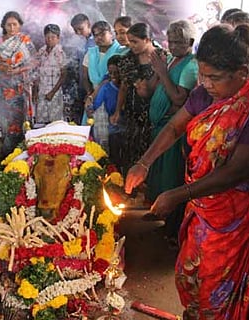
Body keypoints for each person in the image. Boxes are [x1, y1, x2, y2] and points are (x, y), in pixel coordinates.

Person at [125, 24, 249, 319]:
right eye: (202, 74)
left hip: (235, 217)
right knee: (191, 277)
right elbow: (174, 126)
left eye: (214, 77)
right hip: (201, 209)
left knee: (219, 287)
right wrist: (145, 162)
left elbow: (236, 171)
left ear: (242, 73)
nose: (204, 83)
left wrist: (177, 195)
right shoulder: (207, 93)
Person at [143, 20, 198, 245]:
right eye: (171, 41)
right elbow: (152, 89)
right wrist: (159, 70)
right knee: (161, 179)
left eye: (178, 42)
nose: (173, 45)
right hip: (161, 127)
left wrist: (164, 72)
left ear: (191, 42)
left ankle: (174, 230)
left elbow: (178, 98)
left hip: (175, 132)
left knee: (172, 180)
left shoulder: (191, 65)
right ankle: (165, 223)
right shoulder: (173, 59)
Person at [114, 22, 165, 173]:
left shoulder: (164, 56)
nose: (131, 45)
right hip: (134, 112)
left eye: (135, 42)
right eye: (130, 42)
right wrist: (117, 110)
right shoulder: (127, 60)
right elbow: (131, 88)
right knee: (132, 147)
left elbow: (150, 89)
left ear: (147, 39)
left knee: (153, 148)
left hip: (156, 112)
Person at [0, 11, 37, 157]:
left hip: (21, 86)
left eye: (14, 24)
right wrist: (2, 68)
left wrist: (18, 70)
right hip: (5, 87)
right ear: (3, 25)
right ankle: (8, 154)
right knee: (8, 120)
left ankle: (23, 153)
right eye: (8, 24)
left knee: (22, 119)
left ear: (20, 25)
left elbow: (34, 62)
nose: (11, 27)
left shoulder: (25, 41)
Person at [85, 55, 125, 168]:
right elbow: (94, 106)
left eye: (116, 73)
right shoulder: (106, 87)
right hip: (114, 129)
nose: (113, 76)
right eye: (110, 73)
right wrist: (89, 107)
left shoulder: (130, 87)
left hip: (128, 126)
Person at [35, 23, 67, 124]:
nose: (50, 39)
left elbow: (63, 75)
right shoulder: (41, 51)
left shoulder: (60, 53)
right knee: (41, 121)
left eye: (53, 37)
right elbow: (36, 72)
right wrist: (35, 91)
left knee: (54, 123)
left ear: (58, 38)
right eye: (47, 37)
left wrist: (52, 92)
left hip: (54, 93)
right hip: (42, 92)